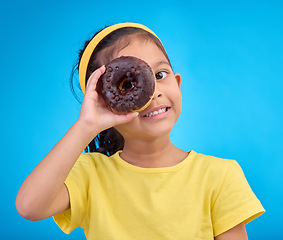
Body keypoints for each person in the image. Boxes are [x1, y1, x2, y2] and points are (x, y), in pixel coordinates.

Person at [16, 22, 265, 240]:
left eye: (160, 74)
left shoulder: (219, 176)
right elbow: (29, 207)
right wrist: (86, 125)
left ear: (177, 83)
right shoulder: (90, 175)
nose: (153, 91)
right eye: (127, 84)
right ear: (104, 103)